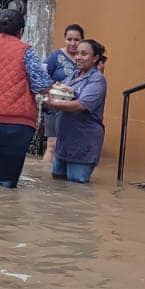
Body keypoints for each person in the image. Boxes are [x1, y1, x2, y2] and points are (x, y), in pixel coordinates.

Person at [0, 6, 53, 188]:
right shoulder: (25, 51)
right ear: (21, 31)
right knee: (7, 183)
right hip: (14, 124)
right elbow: (41, 86)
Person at [44, 38, 108, 183]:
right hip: (64, 142)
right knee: (57, 180)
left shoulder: (97, 80)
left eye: (84, 54)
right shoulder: (73, 75)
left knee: (76, 186)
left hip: (83, 143)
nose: (78, 57)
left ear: (95, 58)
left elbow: (81, 105)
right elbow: (61, 92)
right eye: (77, 53)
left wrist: (53, 104)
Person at [42, 23, 85, 162]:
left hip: (76, 108)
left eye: (77, 40)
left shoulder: (85, 59)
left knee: (70, 145)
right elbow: (41, 75)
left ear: (82, 41)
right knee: (52, 145)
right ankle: (45, 179)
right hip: (55, 106)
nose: (73, 43)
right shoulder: (55, 57)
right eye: (69, 39)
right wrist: (53, 87)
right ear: (64, 39)